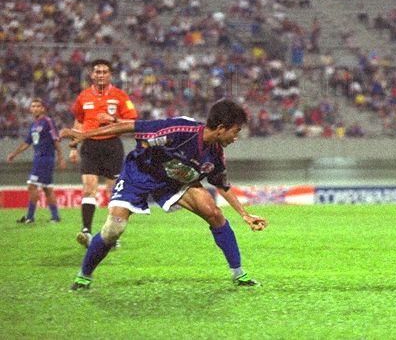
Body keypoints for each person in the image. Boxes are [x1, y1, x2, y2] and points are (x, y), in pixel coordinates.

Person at [61, 99, 268, 290]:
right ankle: (83, 276)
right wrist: (85, 135)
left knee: (214, 213)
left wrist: (245, 215)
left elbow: (222, 185)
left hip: (171, 181)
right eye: (236, 131)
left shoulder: (214, 154)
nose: (236, 137)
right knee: (113, 229)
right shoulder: (180, 129)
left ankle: (238, 274)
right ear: (221, 128)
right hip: (138, 174)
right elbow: (133, 127)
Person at [69, 59, 138, 247]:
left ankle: (110, 236)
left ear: (110, 75)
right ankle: (86, 231)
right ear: (92, 75)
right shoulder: (83, 97)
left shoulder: (120, 96)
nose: (100, 75)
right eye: (97, 71)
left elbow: (132, 122)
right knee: (89, 188)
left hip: (112, 147)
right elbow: (78, 122)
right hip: (90, 146)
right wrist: (74, 147)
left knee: (113, 192)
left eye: (104, 72)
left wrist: (113, 119)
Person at [5, 98, 66, 223]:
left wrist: (60, 157)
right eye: (33, 106)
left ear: (43, 108)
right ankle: (55, 217)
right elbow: (27, 143)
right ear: (30, 109)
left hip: (45, 159)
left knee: (32, 185)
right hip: (39, 159)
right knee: (47, 188)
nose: (35, 108)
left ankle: (30, 217)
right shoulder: (34, 125)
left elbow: (56, 140)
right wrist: (14, 154)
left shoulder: (47, 121)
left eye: (38, 106)